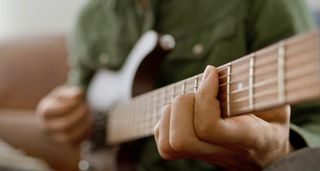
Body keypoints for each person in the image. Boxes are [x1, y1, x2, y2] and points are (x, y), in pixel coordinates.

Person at [36, 0, 320, 170]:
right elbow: (80, 96)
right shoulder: (89, 20)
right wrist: (64, 114)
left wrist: (274, 152)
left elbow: (315, 122)